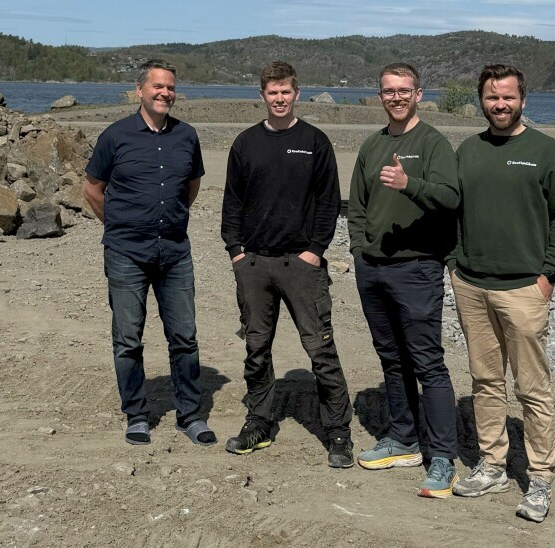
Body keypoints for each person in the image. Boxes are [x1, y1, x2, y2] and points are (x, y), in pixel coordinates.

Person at [449, 64, 555, 522]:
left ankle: (541, 478)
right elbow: (451, 210)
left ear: (523, 100)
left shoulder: (548, 152)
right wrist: (454, 264)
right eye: (491, 97)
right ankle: (492, 465)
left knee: (532, 388)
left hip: (525, 289)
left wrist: (548, 276)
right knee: (486, 381)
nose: (499, 105)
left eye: (507, 97)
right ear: (481, 101)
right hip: (471, 285)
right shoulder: (468, 150)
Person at [220, 61, 354, 468]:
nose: (279, 99)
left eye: (286, 92)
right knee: (256, 348)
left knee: (320, 349)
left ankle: (338, 431)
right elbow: (233, 201)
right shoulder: (245, 143)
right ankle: (259, 421)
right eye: (272, 92)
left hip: (301, 263)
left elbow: (330, 202)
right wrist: (236, 252)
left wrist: (315, 249)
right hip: (255, 263)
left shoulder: (314, 141)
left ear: (297, 93)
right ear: (261, 95)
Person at [84, 59, 216, 447]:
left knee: (185, 337)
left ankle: (190, 414)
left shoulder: (187, 136)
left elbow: (189, 188)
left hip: (174, 252)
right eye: (157, 86)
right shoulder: (115, 136)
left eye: (171, 87)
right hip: (127, 253)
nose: (165, 93)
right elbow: (93, 189)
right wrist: (122, 225)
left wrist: (166, 219)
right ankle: (137, 415)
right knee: (128, 338)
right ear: (139, 90)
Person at [347, 63, 460, 498]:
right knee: (391, 359)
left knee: (427, 363)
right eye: (388, 91)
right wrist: (359, 249)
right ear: (380, 95)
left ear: (418, 94)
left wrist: (410, 184)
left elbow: (450, 199)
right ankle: (403, 439)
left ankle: (443, 457)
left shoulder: (432, 142)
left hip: (417, 268)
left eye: (403, 90)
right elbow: (355, 206)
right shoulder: (372, 146)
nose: (396, 97)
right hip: (372, 269)